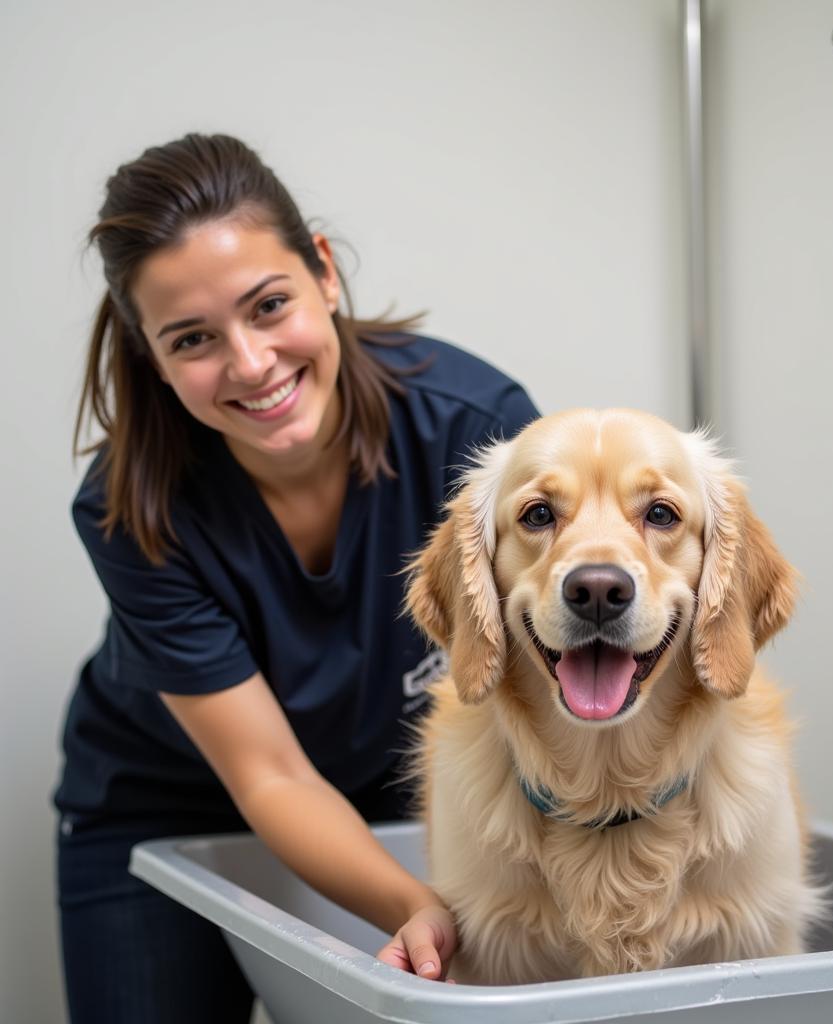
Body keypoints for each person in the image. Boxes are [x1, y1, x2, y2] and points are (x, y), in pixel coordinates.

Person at [53, 132, 539, 1023]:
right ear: (151, 353)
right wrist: (409, 907)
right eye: (193, 338)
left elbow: (542, 680)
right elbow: (271, 774)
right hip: (162, 806)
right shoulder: (131, 508)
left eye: (268, 305)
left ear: (322, 270)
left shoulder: (477, 432)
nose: (249, 363)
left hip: (397, 786)